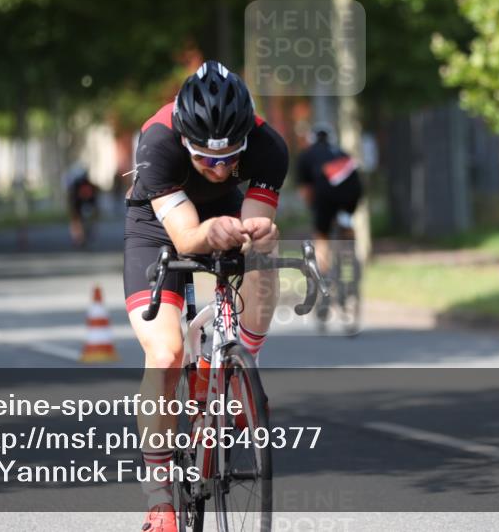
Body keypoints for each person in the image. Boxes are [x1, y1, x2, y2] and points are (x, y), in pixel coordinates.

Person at [124, 60, 286, 532]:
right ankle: (159, 500)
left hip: (224, 214)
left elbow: (254, 221)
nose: (218, 169)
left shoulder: (269, 148)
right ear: (184, 141)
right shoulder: (156, 141)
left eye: (229, 159)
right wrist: (206, 231)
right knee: (167, 350)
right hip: (157, 225)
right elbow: (186, 235)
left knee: (263, 250)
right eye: (205, 159)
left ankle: (241, 369)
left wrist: (257, 232)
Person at [296, 123, 363, 274]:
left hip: (325, 196)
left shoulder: (307, 155)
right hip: (351, 195)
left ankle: (324, 273)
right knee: (345, 224)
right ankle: (352, 261)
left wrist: (313, 208)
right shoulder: (341, 152)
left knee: (321, 234)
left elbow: (306, 189)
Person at [67, 170, 99, 247]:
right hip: (83, 205)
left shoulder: (76, 184)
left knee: (78, 222)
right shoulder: (89, 184)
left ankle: (79, 238)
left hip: (81, 205)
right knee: (81, 222)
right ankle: (81, 237)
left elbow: (72, 197)